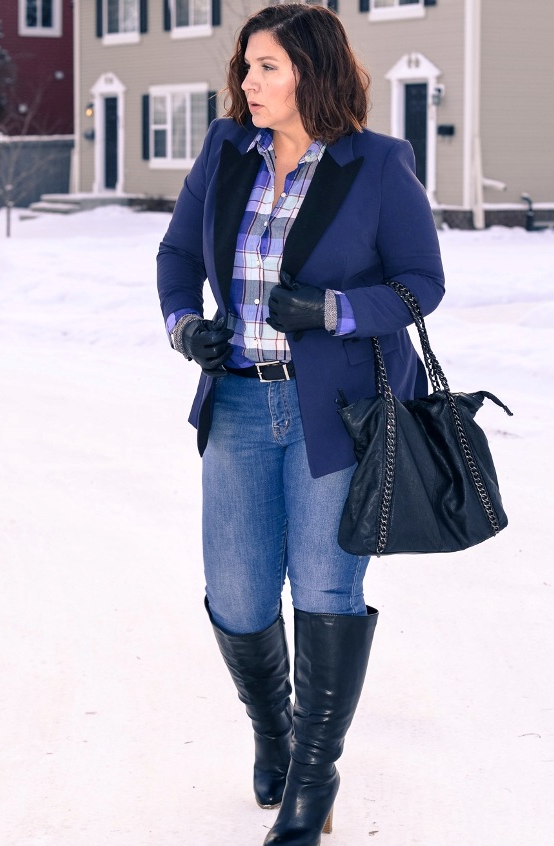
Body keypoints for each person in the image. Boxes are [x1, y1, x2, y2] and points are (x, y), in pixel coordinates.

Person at [157, 4, 444, 844]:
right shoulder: (225, 150)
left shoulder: (378, 166)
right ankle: (274, 731)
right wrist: (185, 325)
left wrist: (333, 310)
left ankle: (313, 782)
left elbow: (419, 284)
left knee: (327, 591)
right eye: (246, 66)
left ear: (312, 73)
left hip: (336, 412)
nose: (248, 82)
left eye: (268, 68)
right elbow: (177, 256)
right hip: (240, 402)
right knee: (241, 598)